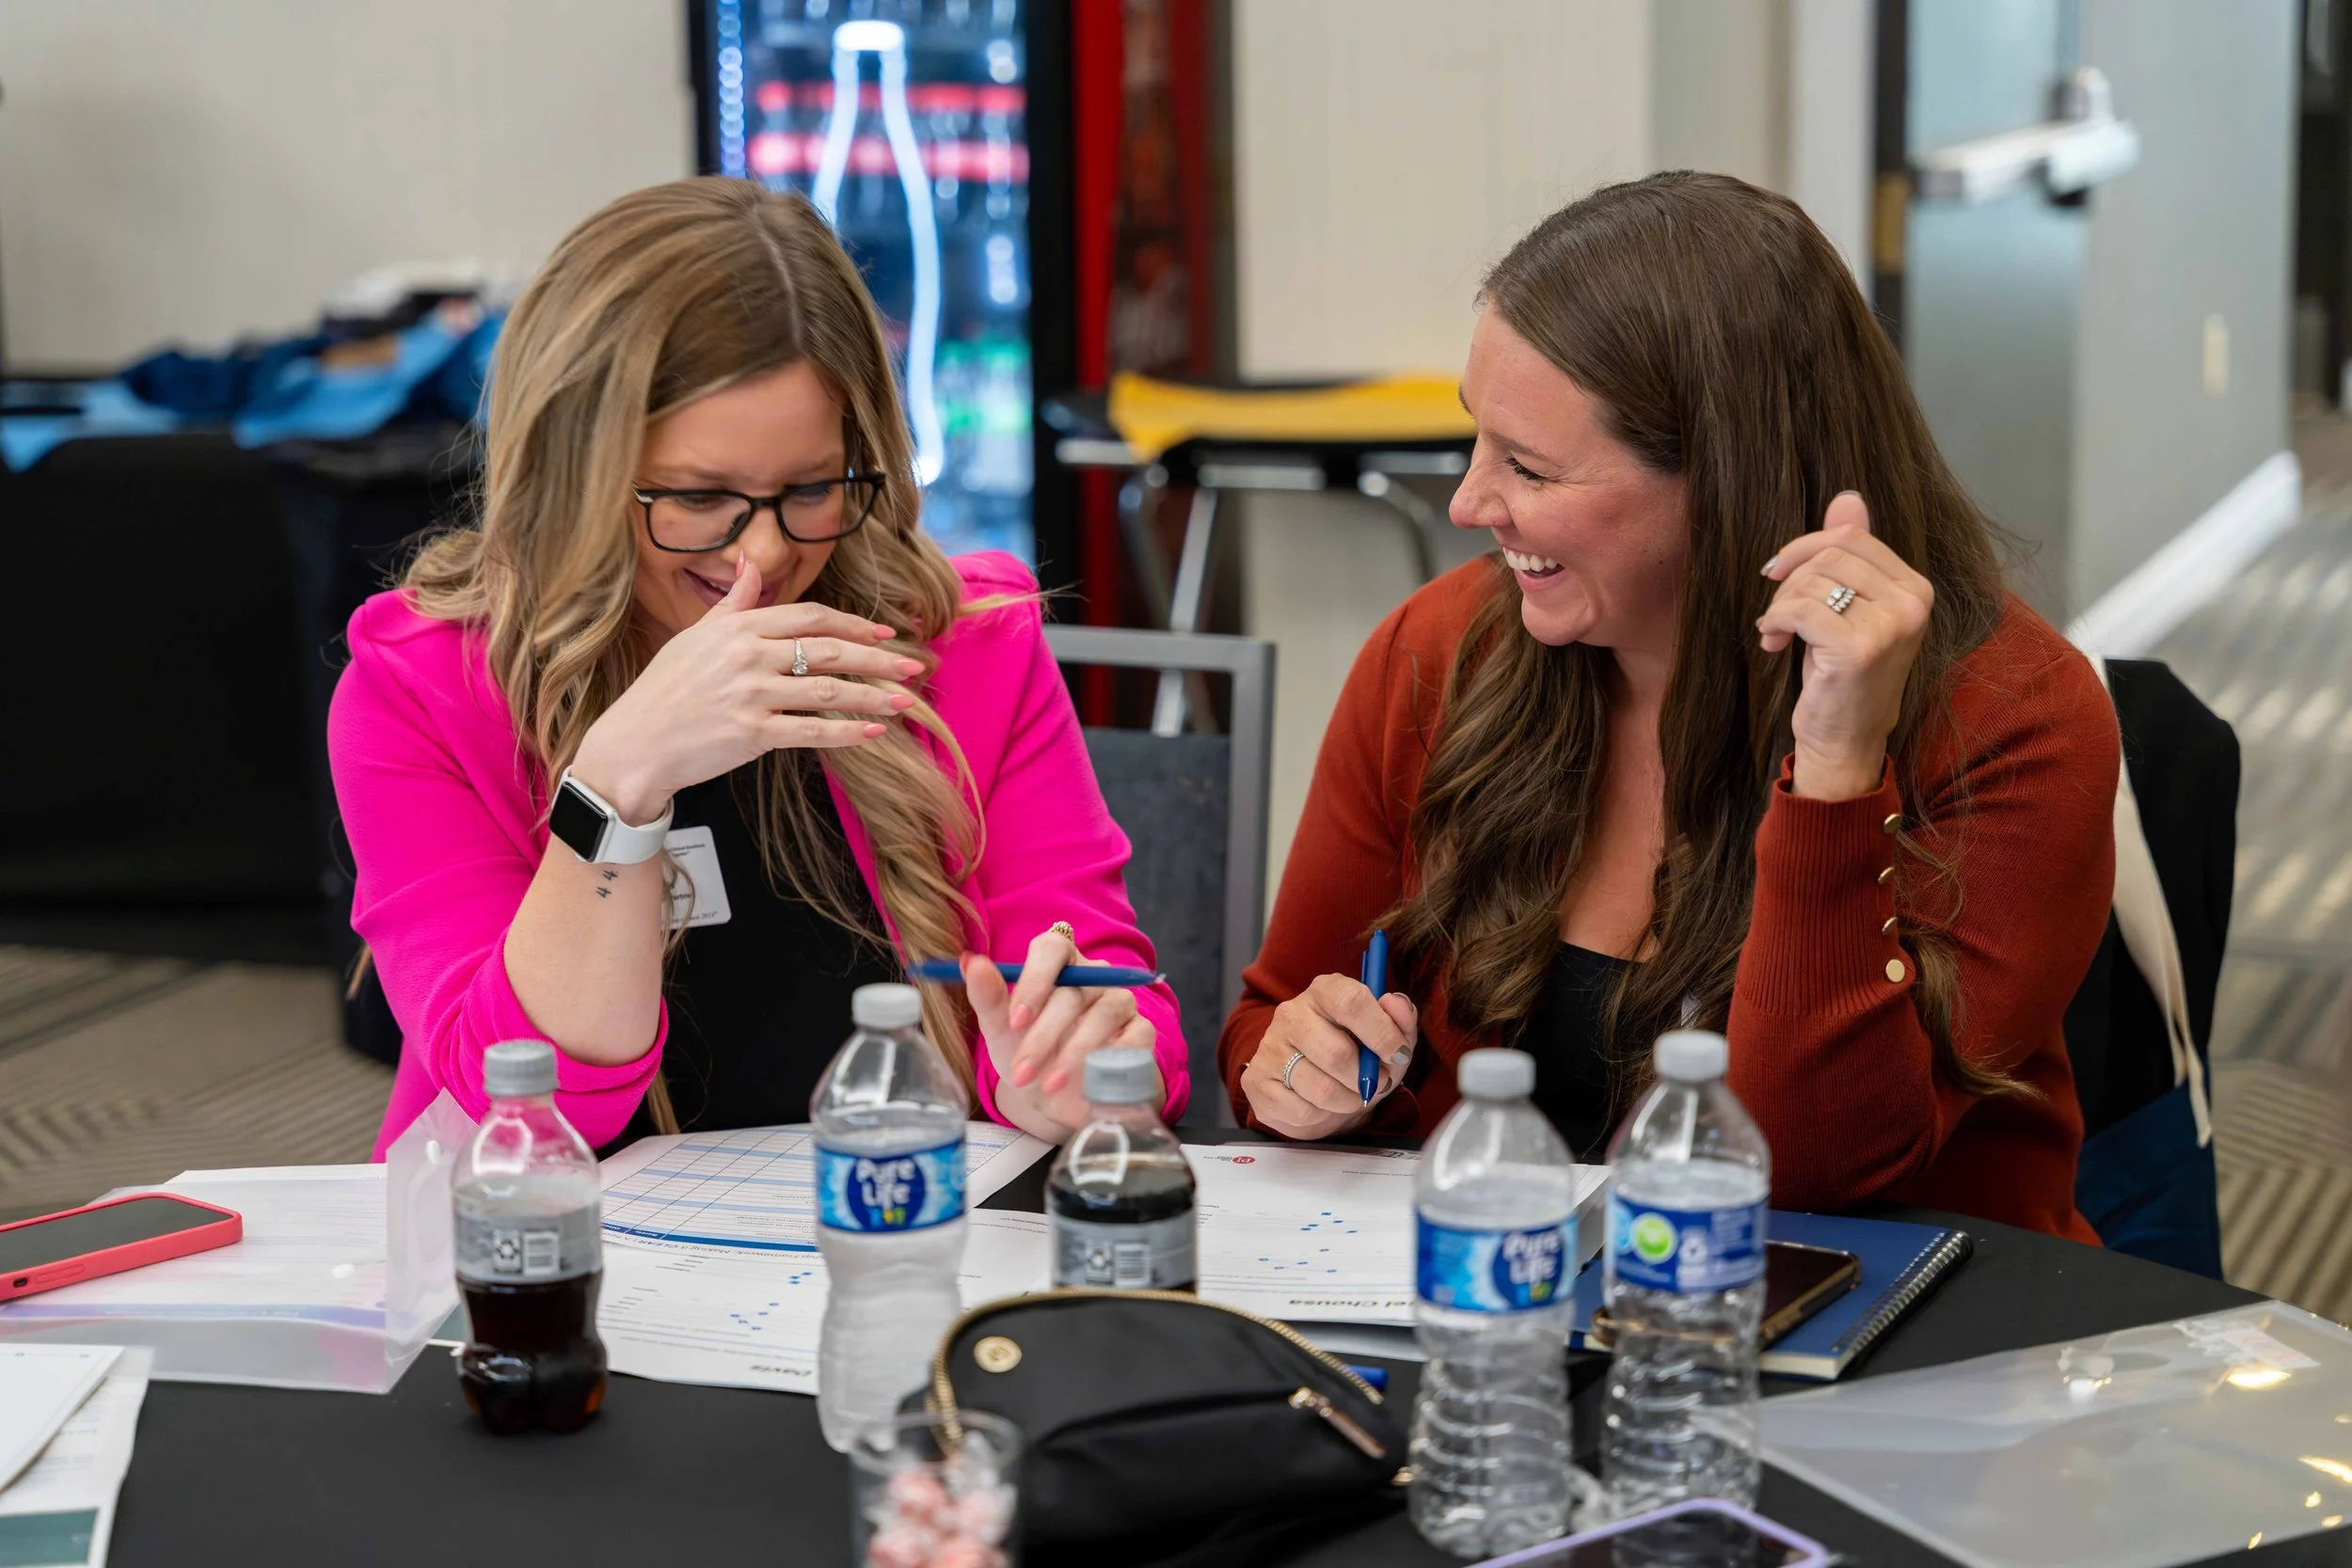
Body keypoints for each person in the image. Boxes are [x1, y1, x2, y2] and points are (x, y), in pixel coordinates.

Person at [1219, 172, 2115, 1241]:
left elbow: (1804, 1171)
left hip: (1893, 1348)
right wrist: (1300, 1069)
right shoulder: (1436, 652)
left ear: (1727, 482)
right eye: (1477, 440)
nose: (1467, 503)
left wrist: (1836, 761)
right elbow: (1272, 1017)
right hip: (1511, 1313)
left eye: (1530, 467)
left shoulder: (2015, 714)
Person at [334, 178, 1184, 1156]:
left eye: (812, 488)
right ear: (575, 472)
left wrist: (1078, 1067)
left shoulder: (964, 638)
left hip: (901, 1228)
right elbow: (531, 1107)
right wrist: (619, 785)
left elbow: (1111, 993)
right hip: (557, 1256)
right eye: (700, 497)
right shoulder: (424, 687)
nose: (764, 557)